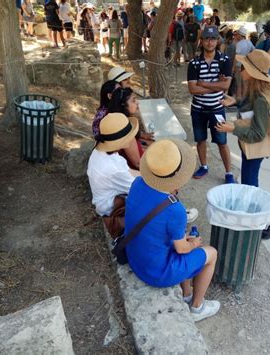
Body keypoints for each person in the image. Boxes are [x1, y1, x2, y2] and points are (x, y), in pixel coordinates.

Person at [125, 139, 220, 322]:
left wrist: (185, 241)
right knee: (211, 253)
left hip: (136, 258)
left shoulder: (137, 183)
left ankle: (186, 293)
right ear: (177, 176)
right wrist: (193, 243)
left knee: (182, 239)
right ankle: (197, 308)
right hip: (155, 272)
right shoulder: (175, 209)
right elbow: (182, 249)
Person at [215, 49, 270, 239]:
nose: (240, 69)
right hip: (251, 149)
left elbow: (258, 133)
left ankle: (261, 225)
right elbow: (250, 106)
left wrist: (232, 128)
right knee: (250, 182)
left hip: (254, 149)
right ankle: (259, 221)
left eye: (244, 67)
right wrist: (234, 101)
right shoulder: (261, 91)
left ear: (252, 72)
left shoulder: (261, 99)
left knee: (250, 185)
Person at [187, 25, 235, 183]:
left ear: (218, 41)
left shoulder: (224, 60)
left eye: (213, 38)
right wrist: (216, 86)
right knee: (200, 140)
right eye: (206, 38)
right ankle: (204, 166)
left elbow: (226, 86)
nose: (210, 42)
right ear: (201, 41)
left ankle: (229, 173)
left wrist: (204, 84)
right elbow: (192, 89)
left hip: (217, 109)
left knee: (222, 141)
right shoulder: (194, 63)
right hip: (198, 109)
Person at [87, 113, 139, 238]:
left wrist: (151, 176)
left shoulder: (103, 152)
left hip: (106, 200)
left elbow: (129, 172)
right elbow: (137, 188)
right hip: (112, 208)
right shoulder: (113, 168)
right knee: (153, 195)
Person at [108, 88, 150, 169]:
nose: (138, 102)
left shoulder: (121, 120)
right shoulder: (125, 129)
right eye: (133, 100)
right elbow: (138, 163)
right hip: (136, 173)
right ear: (123, 104)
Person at [234, 26, 254, 105]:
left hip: (239, 65)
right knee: (245, 84)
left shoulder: (239, 44)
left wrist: (233, 67)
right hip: (246, 66)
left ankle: (238, 101)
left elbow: (236, 57)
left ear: (240, 35)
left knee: (238, 84)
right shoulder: (249, 42)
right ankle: (244, 100)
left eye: (237, 34)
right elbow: (254, 50)